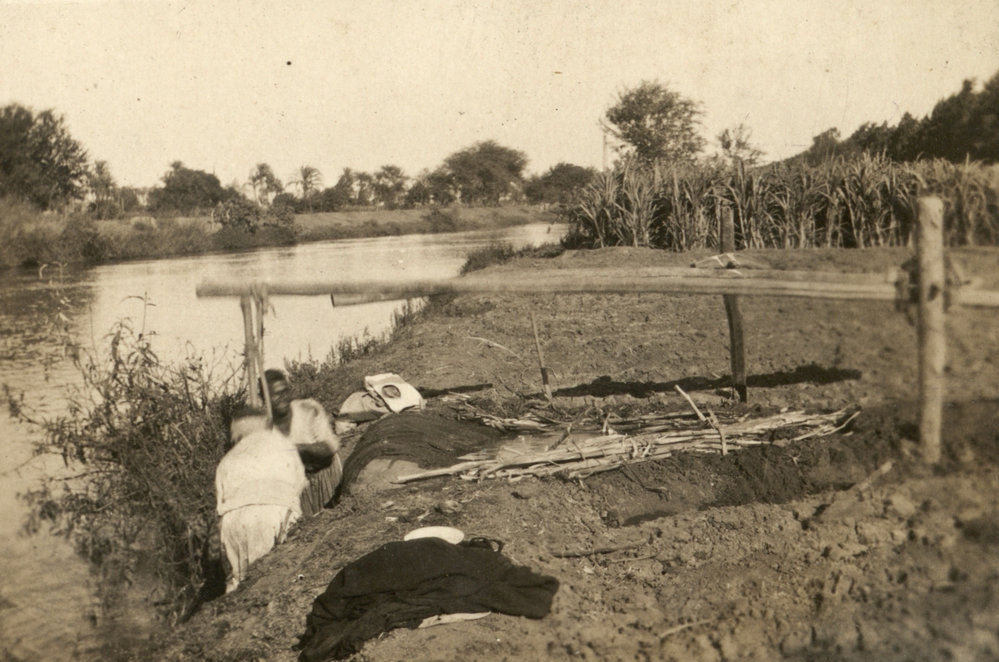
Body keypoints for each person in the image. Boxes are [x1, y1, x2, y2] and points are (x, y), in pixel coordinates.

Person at [216, 408, 308, 592]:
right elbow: (299, 486)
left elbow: (221, 499)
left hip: (232, 518)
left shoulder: (229, 458)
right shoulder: (284, 448)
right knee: (273, 577)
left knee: (239, 580)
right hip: (272, 512)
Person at [263, 369, 343, 517]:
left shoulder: (308, 409)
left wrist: (293, 449)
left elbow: (329, 448)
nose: (283, 398)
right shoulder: (263, 429)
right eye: (275, 395)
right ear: (264, 399)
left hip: (326, 475)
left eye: (285, 392)